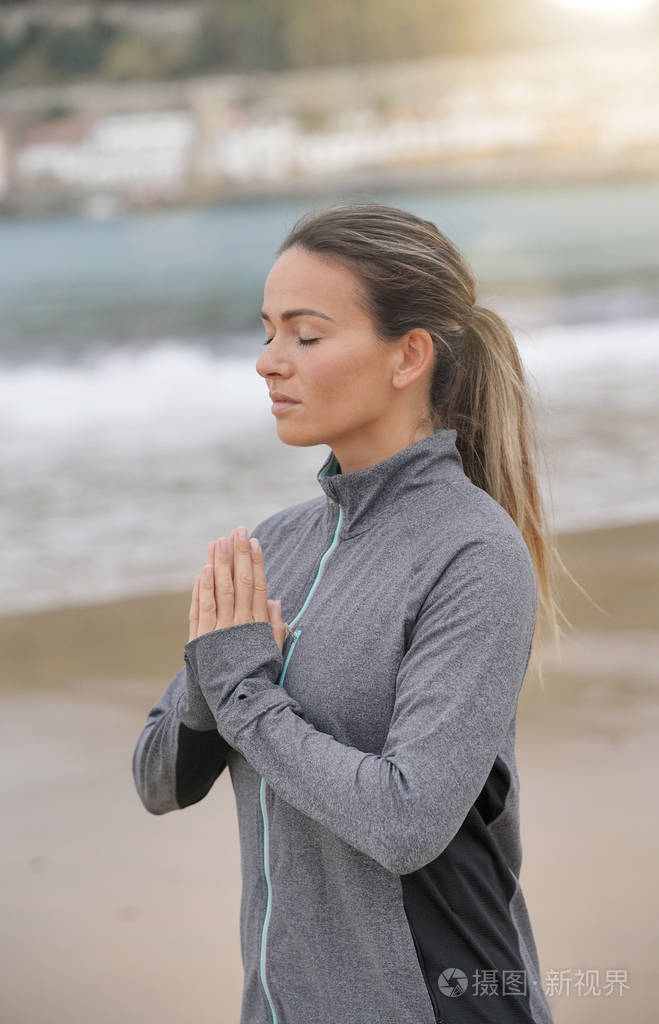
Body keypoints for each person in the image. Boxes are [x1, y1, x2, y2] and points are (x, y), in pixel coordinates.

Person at [132, 201, 566, 1024]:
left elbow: (406, 821)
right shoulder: (274, 546)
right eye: (268, 332)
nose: (268, 362)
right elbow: (156, 778)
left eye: (305, 335)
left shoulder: (472, 555)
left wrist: (246, 693)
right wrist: (215, 671)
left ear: (408, 355)